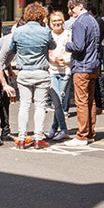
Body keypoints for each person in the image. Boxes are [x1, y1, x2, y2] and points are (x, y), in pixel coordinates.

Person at [9, 2, 56, 149]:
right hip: (41, 71)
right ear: (42, 15)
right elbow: (52, 46)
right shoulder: (45, 32)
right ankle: (38, 138)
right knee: (40, 106)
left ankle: (22, 139)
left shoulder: (18, 31)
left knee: (24, 105)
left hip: (24, 72)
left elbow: (12, 48)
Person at [63, 0, 101, 147]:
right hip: (93, 66)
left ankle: (81, 136)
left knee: (81, 102)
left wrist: (67, 44)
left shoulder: (80, 22)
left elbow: (78, 46)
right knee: (90, 101)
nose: (71, 12)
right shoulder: (93, 21)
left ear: (80, 6)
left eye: (72, 8)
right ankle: (90, 133)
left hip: (81, 66)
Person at [45, 9, 70, 142]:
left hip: (65, 71)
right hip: (52, 71)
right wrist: (52, 59)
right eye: (54, 21)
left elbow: (72, 52)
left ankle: (54, 129)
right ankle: (63, 129)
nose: (57, 23)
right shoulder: (48, 35)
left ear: (63, 21)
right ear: (50, 23)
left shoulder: (68, 34)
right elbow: (44, 51)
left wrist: (64, 60)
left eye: (59, 20)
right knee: (57, 101)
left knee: (58, 102)